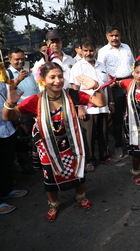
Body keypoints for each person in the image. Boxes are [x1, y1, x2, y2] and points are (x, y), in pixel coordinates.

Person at [2, 62, 107, 221]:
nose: (58, 80)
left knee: (77, 172)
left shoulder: (72, 95)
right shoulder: (35, 101)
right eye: (52, 77)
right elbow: (8, 117)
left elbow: (101, 102)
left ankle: (80, 195)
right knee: (50, 178)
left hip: (72, 143)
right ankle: (53, 203)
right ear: (42, 80)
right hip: (48, 147)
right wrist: (10, 103)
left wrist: (96, 87)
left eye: (60, 76)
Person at [70, 37, 113, 172]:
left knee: (104, 131)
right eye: (85, 51)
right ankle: (89, 160)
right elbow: (74, 89)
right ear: (81, 51)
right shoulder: (77, 66)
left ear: (95, 50)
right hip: (87, 108)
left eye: (91, 50)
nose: (88, 53)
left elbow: (108, 86)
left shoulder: (102, 65)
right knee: (88, 136)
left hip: (103, 105)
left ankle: (104, 156)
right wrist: (79, 107)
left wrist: (111, 102)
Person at [97, 25, 135, 161]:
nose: (114, 38)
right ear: (107, 36)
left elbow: (133, 65)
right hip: (114, 86)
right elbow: (101, 71)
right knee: (118, 118)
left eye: (116, 35)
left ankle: (133, 143)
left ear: (120, 35)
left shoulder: (127, 47)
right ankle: (119, 145)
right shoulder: (103, 51)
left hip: (130, 83)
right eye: (111, 35)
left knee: (133, 114)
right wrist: (110, 84)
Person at [7, 48, 40, 174]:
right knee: (23, 142)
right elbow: (7, 93)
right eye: (17, 59)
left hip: (34, 110)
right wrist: (17, 81)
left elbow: (36, 89)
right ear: (10, 60)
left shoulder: (28, 72)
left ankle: (38, 163)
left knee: (36, 138)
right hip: (20, 112)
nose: (20, 62)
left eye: (22, 59)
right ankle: (26, 167)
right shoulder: (7, 74)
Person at [0, 82, 27, 215]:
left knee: (7, 161)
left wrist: (18, 121)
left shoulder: (2, 83)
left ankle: (6, 191)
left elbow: (9, 101)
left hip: (7, 128)